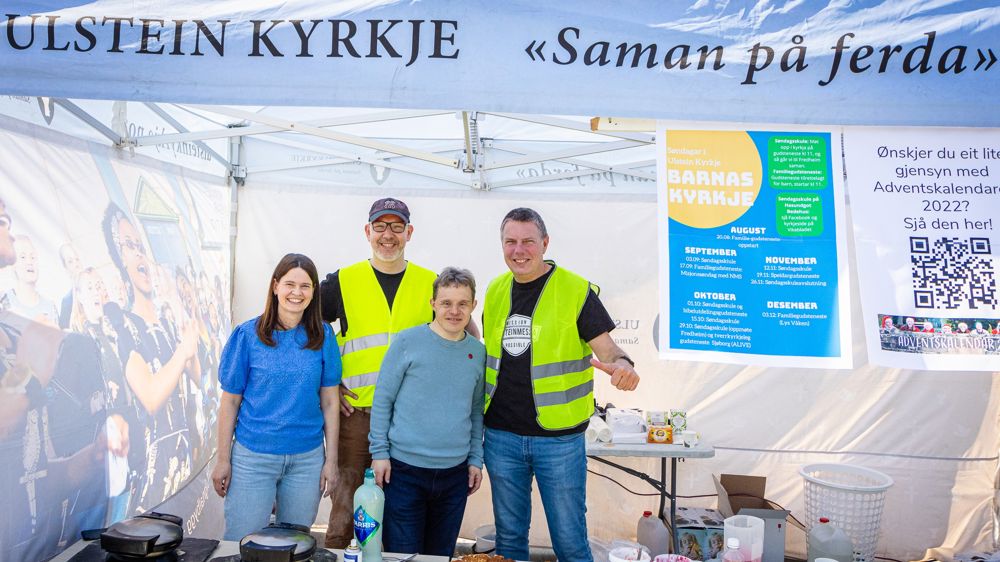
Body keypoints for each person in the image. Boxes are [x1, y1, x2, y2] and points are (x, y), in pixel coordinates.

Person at [482, 207, 640, 562]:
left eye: (528, 241)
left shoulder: (575, 290)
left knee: (569, 541)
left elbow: (610, 350)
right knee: (508, 541)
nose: (519, 250)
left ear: (545, 243)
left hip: (560, 441)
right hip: (501, 436)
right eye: (510, 242)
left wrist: (623, 366)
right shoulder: (494, 290)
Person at [320, 198, 443, 548]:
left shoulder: (430, 284)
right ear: (367, 231)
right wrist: (327, 386)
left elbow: (462, 336)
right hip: (356, 417)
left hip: (409, 421)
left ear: (409, 232)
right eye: (380, 226)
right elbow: (306, 333)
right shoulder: (342, 282)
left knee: (402, 513)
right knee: (346, 512)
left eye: (396, 226)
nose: (388, 235)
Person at [212, 253, 342, 540]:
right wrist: (223, 459)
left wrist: (330, 461)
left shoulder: (323, 336)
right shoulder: (247, 336)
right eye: (289, 284)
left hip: (307, 460)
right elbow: (230, 401)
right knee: (242, 543)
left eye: (305, 286)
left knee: (294, 545)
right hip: (252, 458)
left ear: (314, 293)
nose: (297, 292)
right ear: (275, 286)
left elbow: (331, 401)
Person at [369, 267, 485, 556]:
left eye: (462, 304)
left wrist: (475, 459)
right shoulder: (408, 343)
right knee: (403, 554)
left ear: (473, 305)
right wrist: (379, 453)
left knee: (439, 555)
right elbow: (383, 399)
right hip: (405, 472)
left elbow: (475, 411)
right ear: (433, 304)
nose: (454, 311)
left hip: (454, 475)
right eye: (446, 303)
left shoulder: (477, 353)